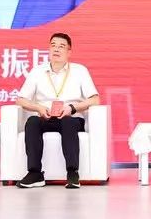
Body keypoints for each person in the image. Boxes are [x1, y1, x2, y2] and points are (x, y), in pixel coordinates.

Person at [14, 32, 100, 189]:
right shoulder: (37, 71)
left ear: (69, 52)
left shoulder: (80, 71)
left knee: (68, 123)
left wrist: (72, 108)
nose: (56, 49)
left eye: (61, 46)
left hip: (71, 117)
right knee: (32, 122)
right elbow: (20, 100)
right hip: (45, 116)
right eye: (53, 45)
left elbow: (95, 99)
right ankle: (34, 173)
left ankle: (72, 173)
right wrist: (38, 107)